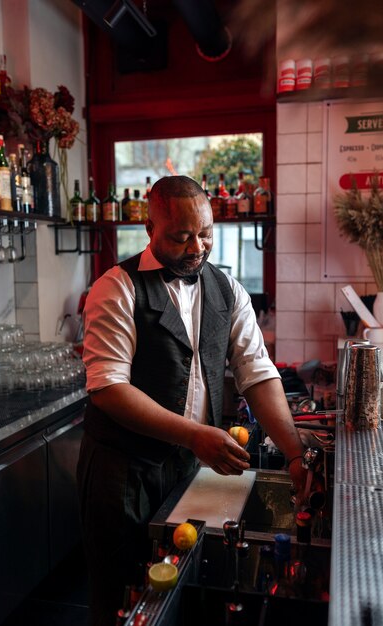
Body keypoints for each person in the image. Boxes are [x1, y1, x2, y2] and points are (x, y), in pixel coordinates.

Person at [77, 175, 307, 625]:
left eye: (205, 234)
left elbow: (257, 373)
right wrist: (196, 435)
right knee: (124, 598)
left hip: (186, 468)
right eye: (182, 237)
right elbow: (108, 389)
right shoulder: (116, 288)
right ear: (150, 228)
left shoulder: (227, 289)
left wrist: (296, 454)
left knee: (181, 589)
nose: (197, 248)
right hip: (122, 473)